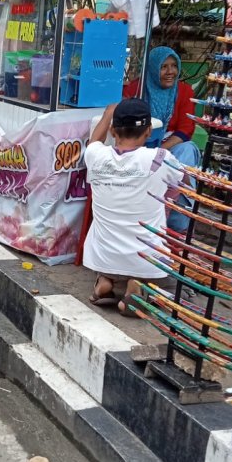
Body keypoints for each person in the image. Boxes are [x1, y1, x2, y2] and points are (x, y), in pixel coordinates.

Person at [83, 98, 183, 316]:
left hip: (103, 255)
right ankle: (136, 283)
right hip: (147, 258)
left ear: (112, 130)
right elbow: (179, 185)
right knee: (153, 221)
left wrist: (108, 113)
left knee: (109, 226)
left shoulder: (95, 156)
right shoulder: (160, 158)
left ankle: (104, 282)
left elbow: (93, 142)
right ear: (148, 132)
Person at [123, 45, 200, 232]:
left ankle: (178, 213)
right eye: (163, 66)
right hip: (139, 144)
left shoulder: (184, 91)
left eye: (174, 66)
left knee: (187, 150)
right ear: (153, 67)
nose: (170, 72)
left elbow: (186, 128)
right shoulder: (137, 88)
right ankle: (150, 213)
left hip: (170, 144)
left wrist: (161, 149)